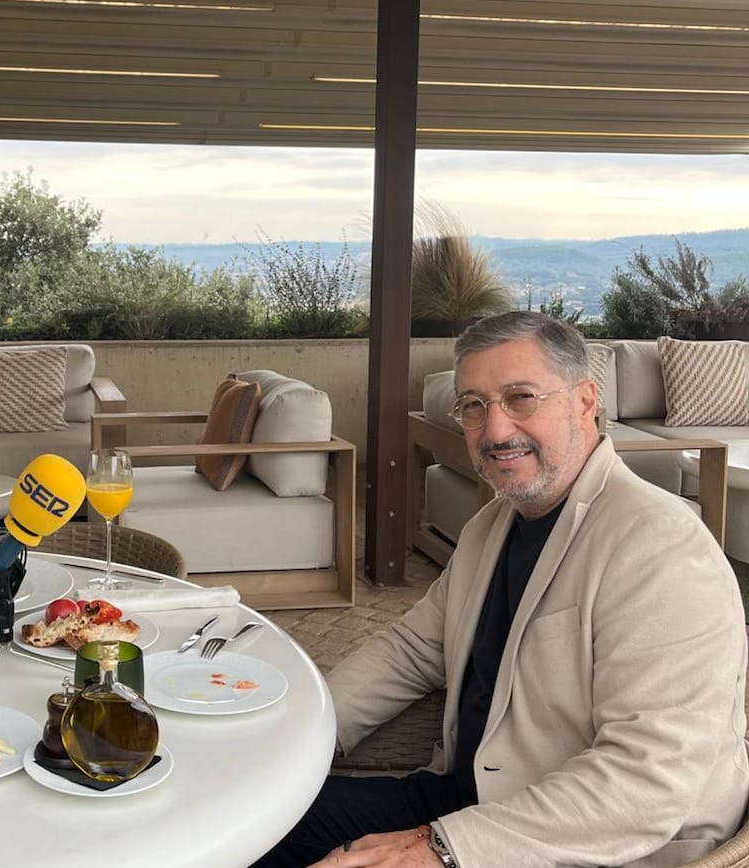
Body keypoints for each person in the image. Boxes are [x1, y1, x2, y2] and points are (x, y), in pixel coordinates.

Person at [254, 311, 749, 868]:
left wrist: (440, 850)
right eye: (474, 405)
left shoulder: (660, 547)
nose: (494, 431)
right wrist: (299, 745)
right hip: (464, 802)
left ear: (586, 402)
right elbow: (413, 651)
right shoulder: (493, 525)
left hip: (592, 844)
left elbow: (645, 784)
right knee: (249, 817)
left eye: (521, 398)